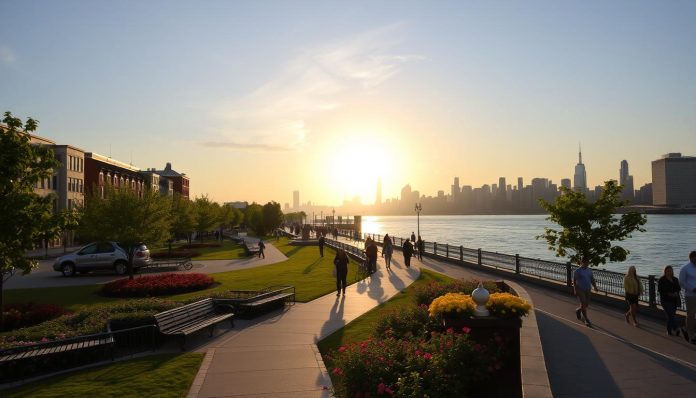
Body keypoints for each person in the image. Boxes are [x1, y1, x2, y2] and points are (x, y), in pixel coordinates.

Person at [573, 257, 598, 327]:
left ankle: (578, 310)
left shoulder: (589, 270)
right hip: (580, 289)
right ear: (582, 262)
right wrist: (575, 289)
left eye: (588, 262)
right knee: (583, 303)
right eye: (586, 262)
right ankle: (586, 319)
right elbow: (574, 281)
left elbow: (592, 279)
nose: (587, 264)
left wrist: (595, 287)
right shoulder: (578, 271)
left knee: (586, 304)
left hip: (588, 289)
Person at [658, 265, 682, 337]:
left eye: (671, 271)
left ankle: (669, 330)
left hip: (674, 300)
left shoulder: (675, 279)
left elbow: (678, 288)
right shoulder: (662, 280)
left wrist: (676, 293)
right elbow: (660, 290)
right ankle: (676, 328)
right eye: (668, 271)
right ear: (665, 271)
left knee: (670, 316)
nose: (669, 272)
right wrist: (669, 294)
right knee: (671, 315)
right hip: (665, 300)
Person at [678, 251, 696, 344]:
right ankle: (691, 335)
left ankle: (687, 329)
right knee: (691, 315)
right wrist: (692, 289)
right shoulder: (685, 268)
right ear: (692, 258)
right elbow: (681, 282)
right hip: (690, 295)